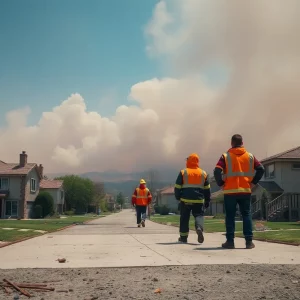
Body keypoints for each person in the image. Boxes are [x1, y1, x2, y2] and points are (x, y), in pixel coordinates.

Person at [214, 134, 265, 249]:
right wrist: (253, 183)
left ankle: (230, 242)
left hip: (230, 192)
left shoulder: (225, 156)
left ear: (232, 143)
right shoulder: (250, 156)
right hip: (245, 191)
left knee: (230, 216)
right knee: (246, 215)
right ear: (242, 143)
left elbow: (217, 171)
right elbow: (261, 169)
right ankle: (248, 242)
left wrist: (221, 184)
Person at [174, 153, 211, 244]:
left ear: (188, 161)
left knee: (184, 218)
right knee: (198, 215)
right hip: (198, 200)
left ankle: (183, 237)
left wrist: (178, 197)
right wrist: (207, 200)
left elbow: (177, 186)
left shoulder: (183, 172)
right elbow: (207, 189)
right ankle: (199, 228)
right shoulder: (203, 173)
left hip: (185, 200)